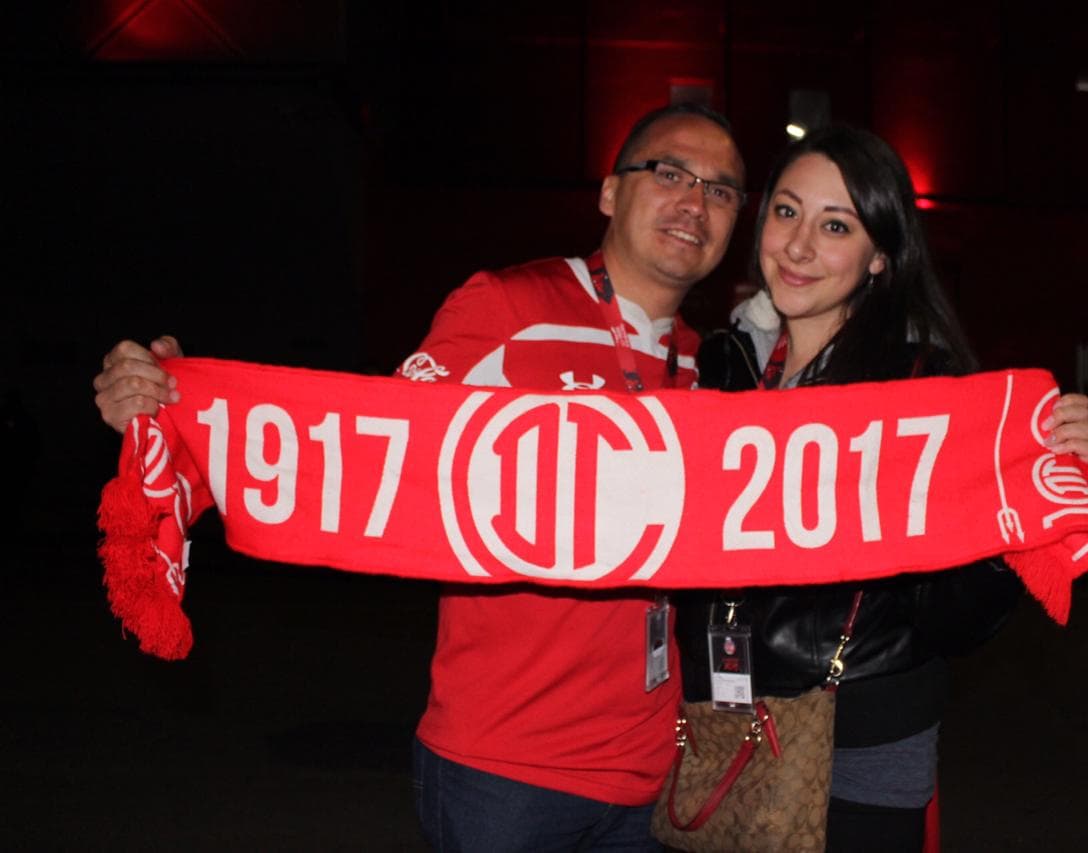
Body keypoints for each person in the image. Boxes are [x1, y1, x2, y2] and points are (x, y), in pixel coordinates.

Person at [92, 102, 746, 851]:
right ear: (608, 191)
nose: (695, 202)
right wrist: (182, 412)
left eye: (721, 189)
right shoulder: (509, 307)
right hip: (507, 774)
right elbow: (365, 447)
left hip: (656, 775)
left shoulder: (709, 363)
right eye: (669, 173)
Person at [675, 125, 1088, 852]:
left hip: (860, 743)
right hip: (722, 728)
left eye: (835, 225)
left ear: (879, 256)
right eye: (786, 212)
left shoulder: (922, 394)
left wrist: (1017, 501)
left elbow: (952, 622)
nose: (799, 246)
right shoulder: (720, 365)